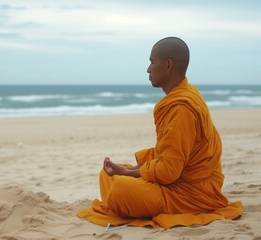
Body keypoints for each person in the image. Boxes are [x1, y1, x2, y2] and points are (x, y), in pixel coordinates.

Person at [77, 37, 243, 229]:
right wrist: (127, 170)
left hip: (192, 193)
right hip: (177, 182)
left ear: (168, 65)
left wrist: (128, 174)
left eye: (152, 62)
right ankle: (123, 199)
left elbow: (168, 171)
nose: (148, 69)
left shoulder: (182, 108)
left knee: (122, 189)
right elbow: (168, 156)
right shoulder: (184, 94)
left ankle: (123, 202)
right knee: (107, 175)